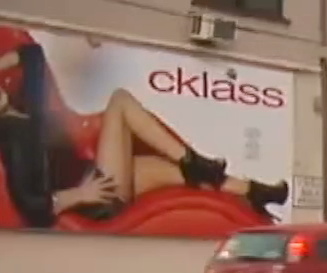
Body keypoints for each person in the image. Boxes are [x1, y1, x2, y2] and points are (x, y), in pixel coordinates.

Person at [0, 29, 287, 229]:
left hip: (91, 175)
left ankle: (255, 192)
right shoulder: (11, 133)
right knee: (120, 101)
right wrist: (81, 195)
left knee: (183, 176)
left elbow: (32, 54)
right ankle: (194, 161)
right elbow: (31, 205)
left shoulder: (28, 104)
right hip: (94, 197)